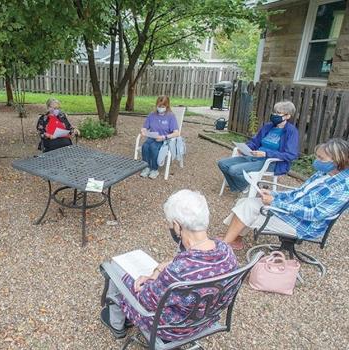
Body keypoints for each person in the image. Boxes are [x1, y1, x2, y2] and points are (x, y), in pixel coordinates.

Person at [100, 190, 238, 341]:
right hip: (203, 321)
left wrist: (150, 280)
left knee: (114, 267)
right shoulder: (227, 252)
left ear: (177, 226)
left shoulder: (177, 272)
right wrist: (159, 270)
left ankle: (117, 324)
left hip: (171, 328)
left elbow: (145, 300)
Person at [223, 138, 349, 250]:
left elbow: (316, 214)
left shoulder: (343, 187)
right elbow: (299, 192)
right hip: (293, 214)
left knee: (249, 206)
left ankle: (223, 246)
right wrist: (274, 194)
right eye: (317, 156)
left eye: (321, 158)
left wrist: (275, 202)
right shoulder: (324, 173)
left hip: (303, 226)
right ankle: (234, 239)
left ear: (337, 161)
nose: (316, 161)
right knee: (246, 202)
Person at [218, 100, 299, 193]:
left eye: (279, 113)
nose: (275, 115)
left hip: (270, 162)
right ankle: (244, 186)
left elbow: (291, 155)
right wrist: (245, 148)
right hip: (254, 156)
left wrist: (266, 153)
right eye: (275, 112)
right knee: (222, 163)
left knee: (233, 170)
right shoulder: (268, 126)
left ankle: (246, 186)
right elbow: (255, 142)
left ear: (287, 116)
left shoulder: (291, 131)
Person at [139, 96, 180, 179]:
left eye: (163, 107)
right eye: (159, 106)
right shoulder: (152, 115)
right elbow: (145, 127)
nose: (160, 108)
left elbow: (176, 133)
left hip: (164, 139)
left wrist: (164, 137)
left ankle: (154, 169)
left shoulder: (170, 116)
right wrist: (143, 131)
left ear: (167, 106)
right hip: (152, 137)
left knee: (153, 147)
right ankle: (146, 167)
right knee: (145, 146)